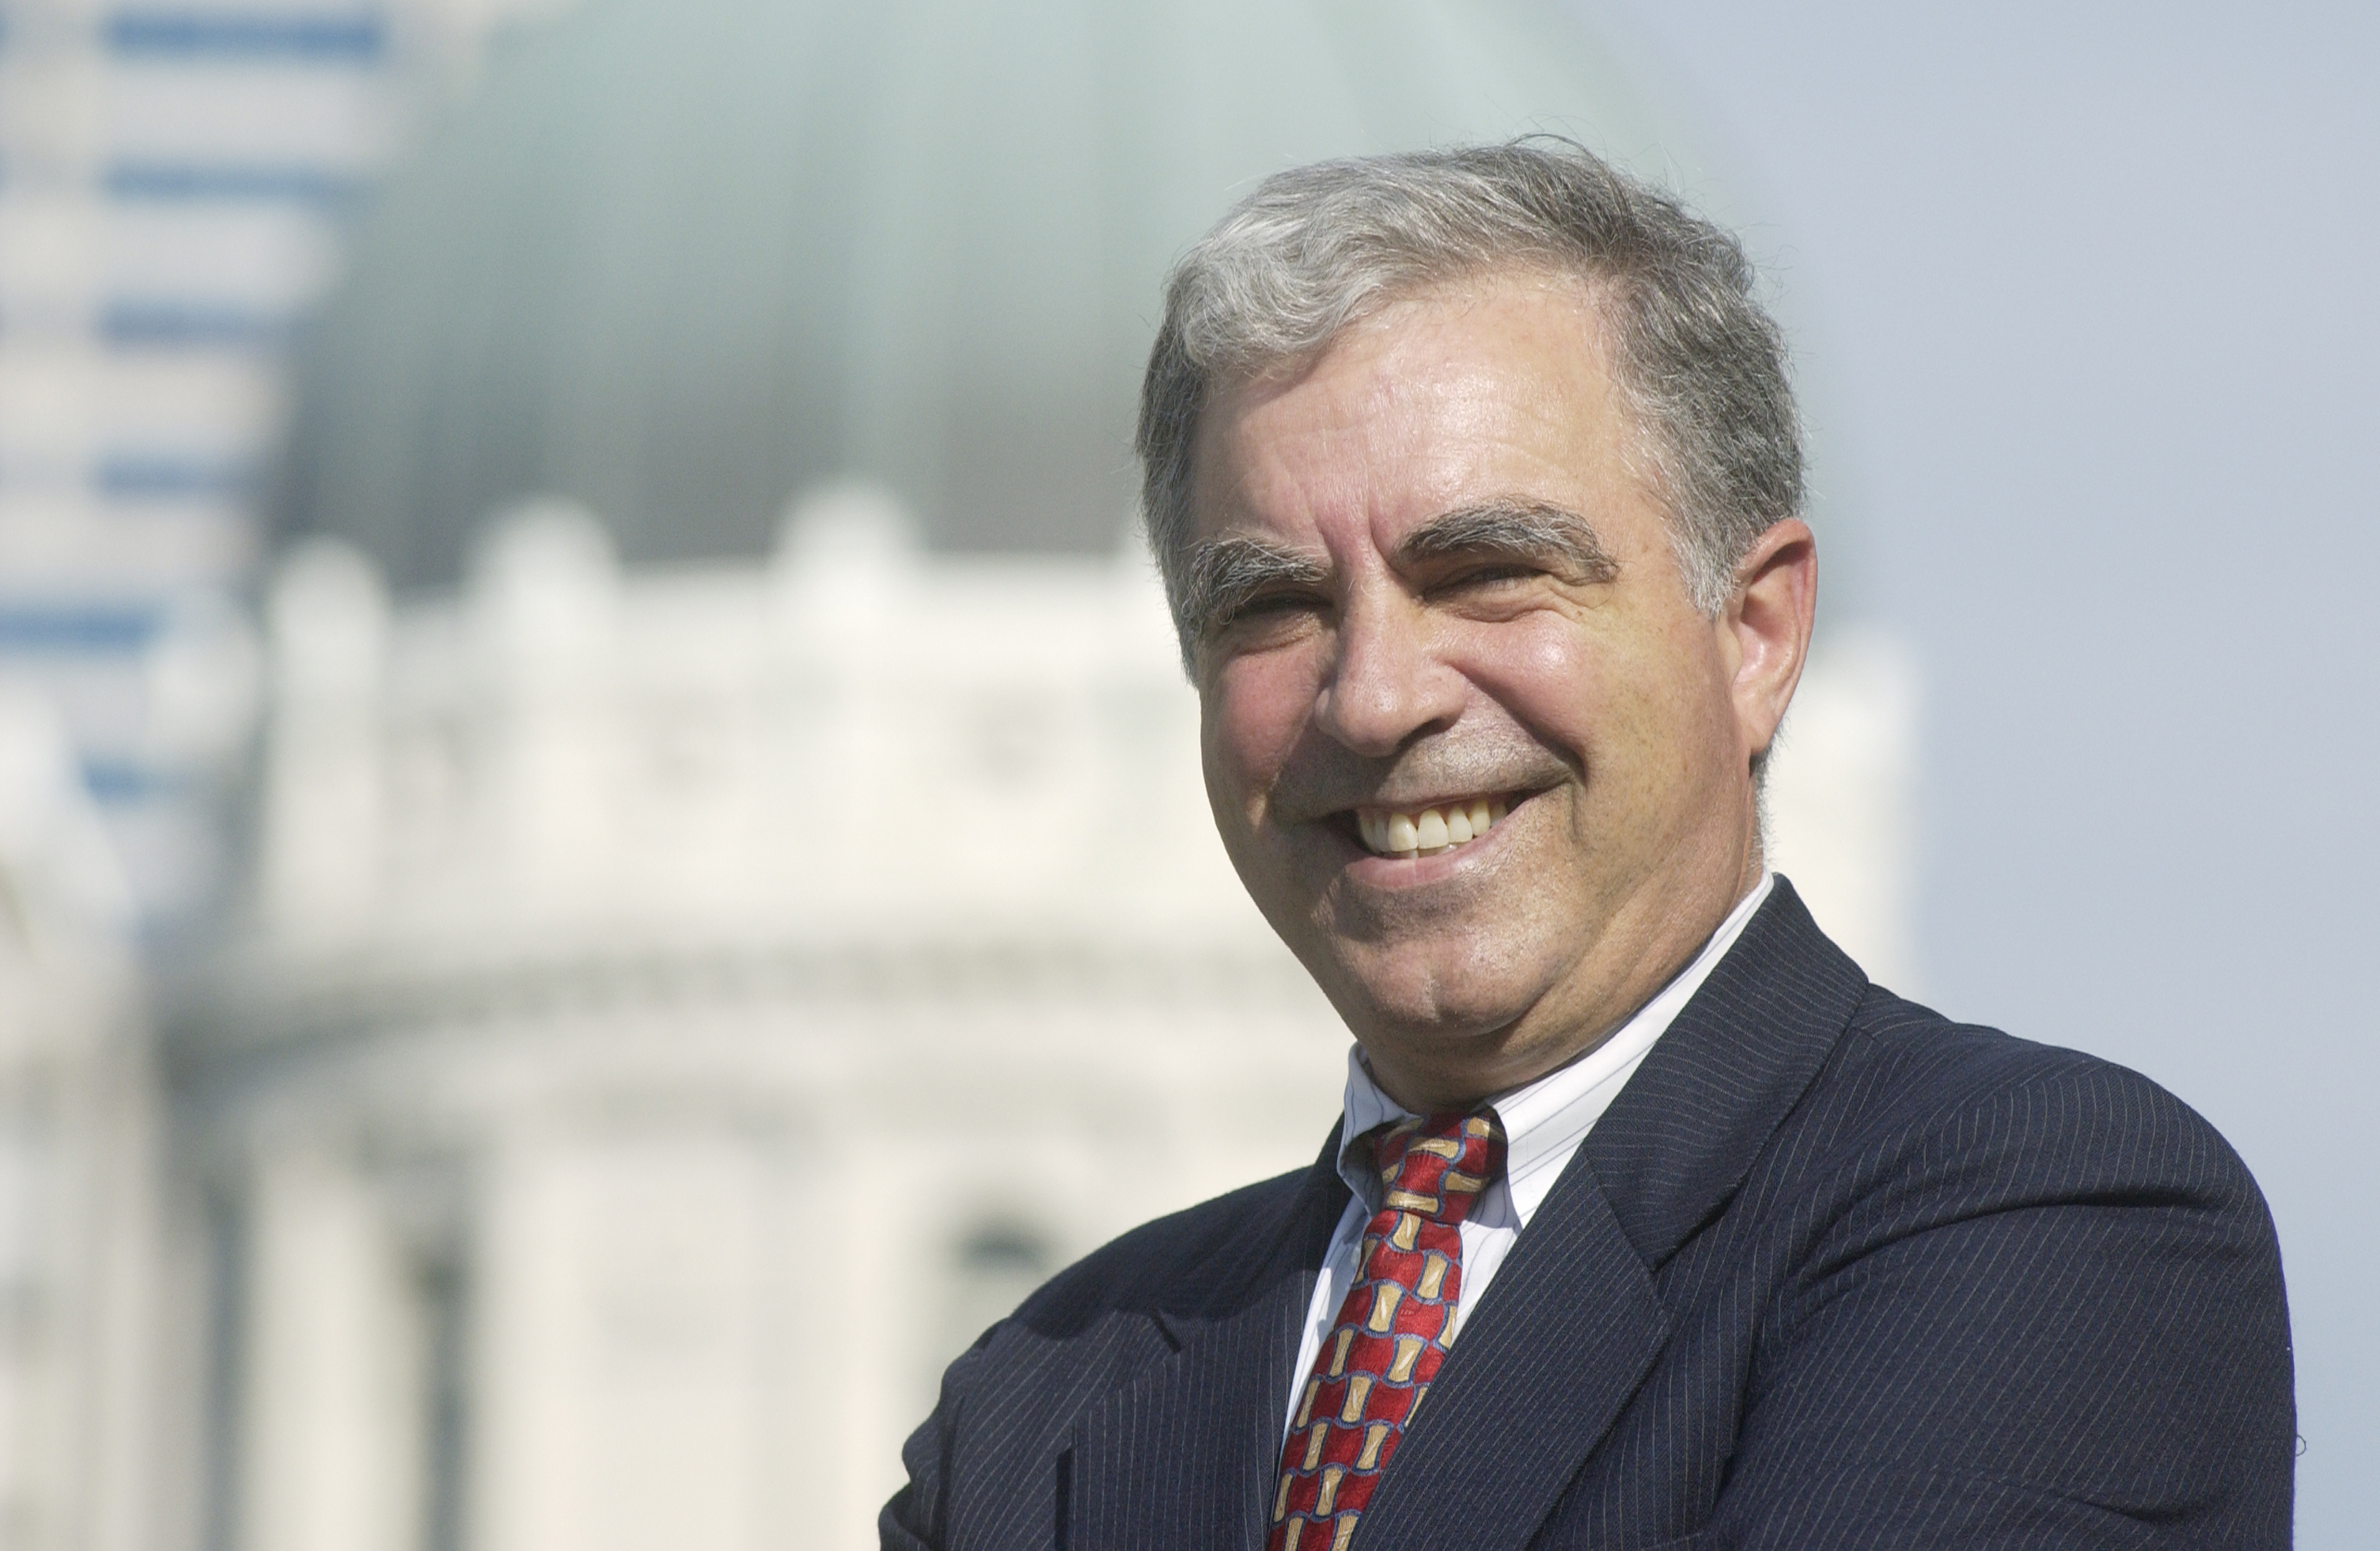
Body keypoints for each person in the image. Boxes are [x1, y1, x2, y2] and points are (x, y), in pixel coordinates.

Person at [880, 142, 2293, 1550]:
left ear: (1755, 633)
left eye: (1485, 574)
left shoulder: (2048, 1229)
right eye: (1274, 604)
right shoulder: (1045, 1407)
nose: (1374, 696)